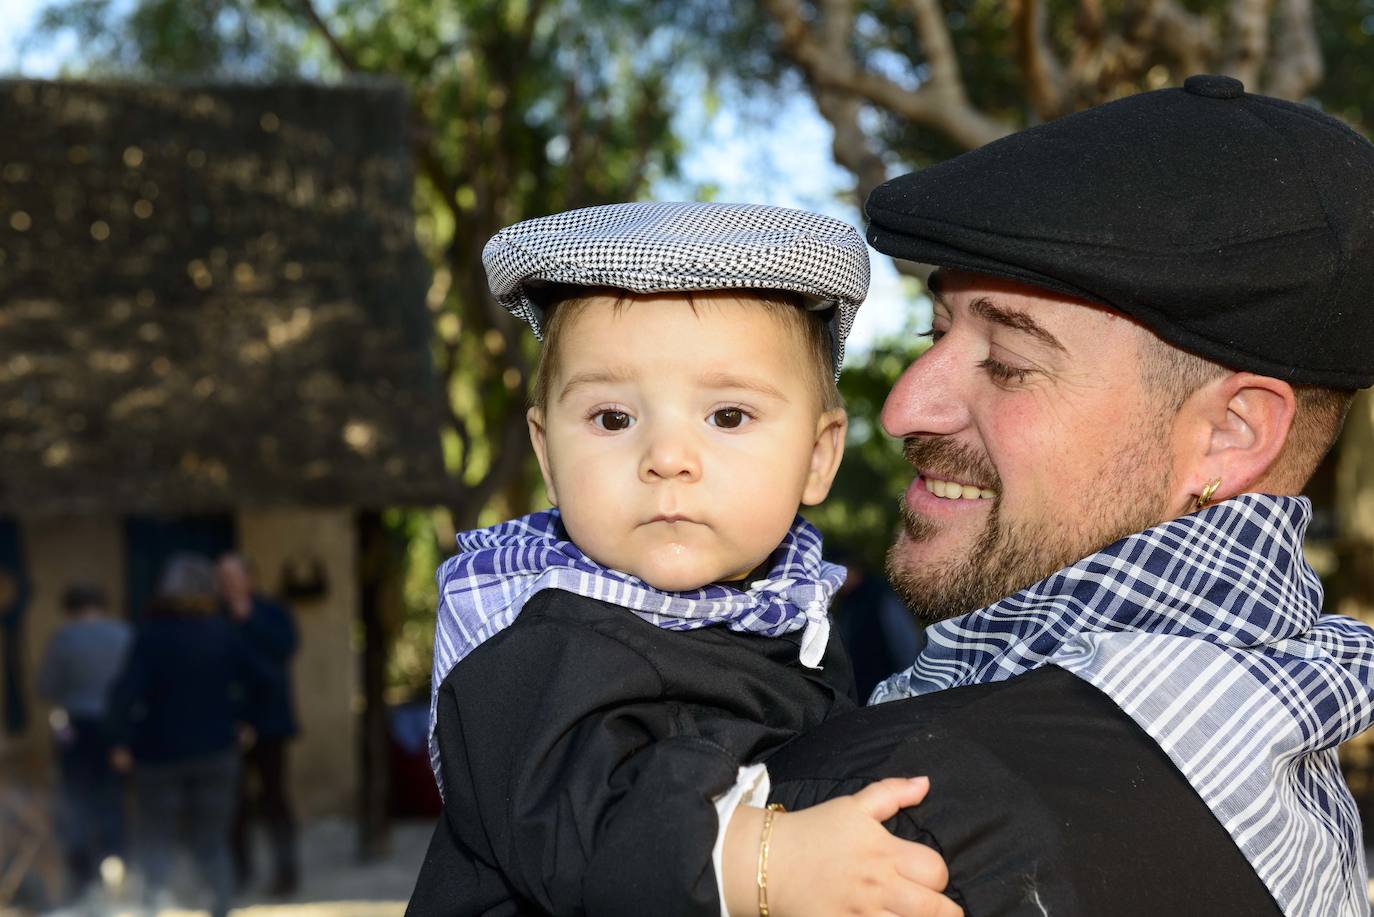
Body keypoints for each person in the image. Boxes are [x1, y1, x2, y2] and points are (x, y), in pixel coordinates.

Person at [760, 74, 1374, 916]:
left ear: (1232, 432)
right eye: (933, 333)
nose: (904, 406)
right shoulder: (1290, 773)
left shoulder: (871, 832)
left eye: (1008, 362)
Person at [408, 202, 960, 917]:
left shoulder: (787, 618)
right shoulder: (538, 646)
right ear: (547, 454)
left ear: (819, 456)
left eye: (727, 416)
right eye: (613, 418)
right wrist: (765, 862)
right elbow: (580, 830)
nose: (666, 457)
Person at [108, 552, 270, 917]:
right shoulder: (222, 632)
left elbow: (125, 692)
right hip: (217, 750)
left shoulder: (151, 634)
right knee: (211, 841)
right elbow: (263, 680)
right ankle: (220, 908)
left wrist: (119, 741)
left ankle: (152, 907)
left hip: (159, 754)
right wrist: (246, 721)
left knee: (157, 838)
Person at [36, 583, 132, 900]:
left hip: (76, 727)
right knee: (113, 793)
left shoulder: (64, 638)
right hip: (116, 726)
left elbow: (46, 686)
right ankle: (115, 858)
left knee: (78, 797)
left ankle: (83, 872)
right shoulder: (123, 633)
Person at [217, 552, 301, 896]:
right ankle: (239, 874)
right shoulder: (214, 617)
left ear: (249, 579)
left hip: (269, 724)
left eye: (233, 578)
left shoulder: (271, 612)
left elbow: (286, 648)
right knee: (232, 804)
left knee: (274, 800)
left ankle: (286, 874)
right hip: (229, 726)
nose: (227, 586)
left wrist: (250, 620)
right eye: (222, 580)